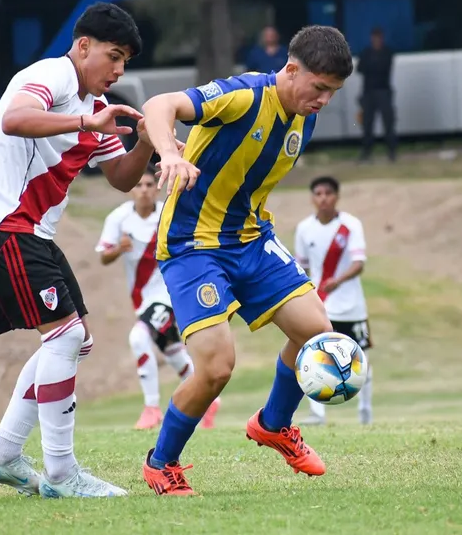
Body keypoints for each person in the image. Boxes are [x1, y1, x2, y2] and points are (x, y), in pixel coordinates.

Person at [139, 25, 354, 496]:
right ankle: (161, 462)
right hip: (192, 243)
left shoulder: (303, 115)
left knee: (318, 334)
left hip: (252, 239)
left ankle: (274, 424)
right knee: (216, 367)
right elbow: (161, 106)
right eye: (319, 88)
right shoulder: (244, 95)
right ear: (291, 70)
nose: (323, 101)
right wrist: (170, 151)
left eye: (333, 93)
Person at [0, 2, 157, 498]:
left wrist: (147, 142)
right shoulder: (53, 74)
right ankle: (62, 475)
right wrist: (89, 125)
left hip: (25, 232)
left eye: (126, 60)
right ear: (82, 46)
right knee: (65, 338)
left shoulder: (94, 108)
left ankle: (3, 456)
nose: (119, 69)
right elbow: (16, 120)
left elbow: (121, 179)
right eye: (113, 56)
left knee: (74, 339)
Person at [96, 169, 221, 430]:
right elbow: (103, 257)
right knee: (173, 352)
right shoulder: (118, 218)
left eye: (149, 184)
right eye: (138, 184)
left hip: (171, 292)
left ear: (156, 187)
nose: (143, 189)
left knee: (139, 338)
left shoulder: (169, 212)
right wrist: (120, 248)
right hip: (143, 298)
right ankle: (211, 401)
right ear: (132, 189)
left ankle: (152, 408)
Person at [293, 176, 373, 426]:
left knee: (362, 358)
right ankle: (317, 414)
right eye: (318, 193)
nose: (323, 198)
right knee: (315, 357)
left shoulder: (350, 225)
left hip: (351, 306)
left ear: (336, 196)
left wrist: (338, 280)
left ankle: (365, 412)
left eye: (328, 193)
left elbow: (359, 263)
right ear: (312, 198)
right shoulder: (304, 228)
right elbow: (302, 267)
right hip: (321, 304)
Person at [357, 27, 396, 162]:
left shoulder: (387, 53)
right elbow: (360, 68)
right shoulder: (366, 53)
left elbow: (384, 68)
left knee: (388, 123)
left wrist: (372, 66)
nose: (377, 41)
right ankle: (366, 152)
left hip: (383, 91)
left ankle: (391, 151)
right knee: (367, 124)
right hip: (368, 92)